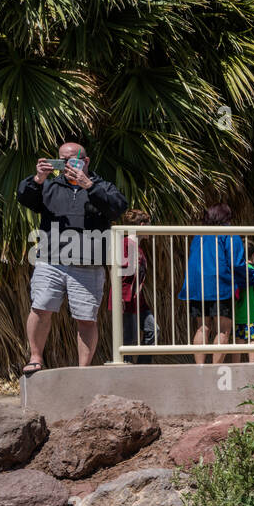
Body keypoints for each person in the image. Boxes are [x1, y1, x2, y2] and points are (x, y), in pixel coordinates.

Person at [17, 142, 128, 373]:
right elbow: (25, 198)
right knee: (40, 308)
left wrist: (89, 185)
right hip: (50, 259)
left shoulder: (101, 186)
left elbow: (118, 207)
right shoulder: (50, 185)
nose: (66, 165)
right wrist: (37, 178)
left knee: (86, 318)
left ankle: (83, 371)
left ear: (85, 161)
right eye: (61, 160)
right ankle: (35, 358)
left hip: (88, 264)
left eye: (71, 160)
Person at [179, 203, 251, 365]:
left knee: (202, 327)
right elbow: (236, 262)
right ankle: (214, 370)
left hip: (197, 285)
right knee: (223, 328)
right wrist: (252, 276)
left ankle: (200, 370)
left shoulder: (199, 235)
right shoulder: (229, 233)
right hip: (220, 284)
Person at [118, 209, 156, 364]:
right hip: (126, 298)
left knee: (153, 330)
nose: (151, 229)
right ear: (142, 225)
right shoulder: (125, 243)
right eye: (149, 225)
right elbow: (119, 271)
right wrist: (120, 297)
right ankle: (126, 364)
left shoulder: (138, 247)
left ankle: (142, 365)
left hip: (138, 300)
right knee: (129, 336)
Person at [234, 247, 254, 363]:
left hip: (239, 313)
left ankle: (235, 367)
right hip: (253, 313)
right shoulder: (253, 272)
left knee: (239, 341)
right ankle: (252, 367)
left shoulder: (237, 270)